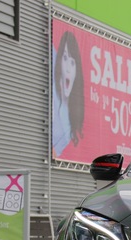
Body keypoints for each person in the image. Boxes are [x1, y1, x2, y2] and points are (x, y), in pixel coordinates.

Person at [52, 30, 85, 158]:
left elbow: (53, 153)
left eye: (72, 62)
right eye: (65, 58)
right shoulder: (53, 64)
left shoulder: (68, 127)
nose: (67, 68)